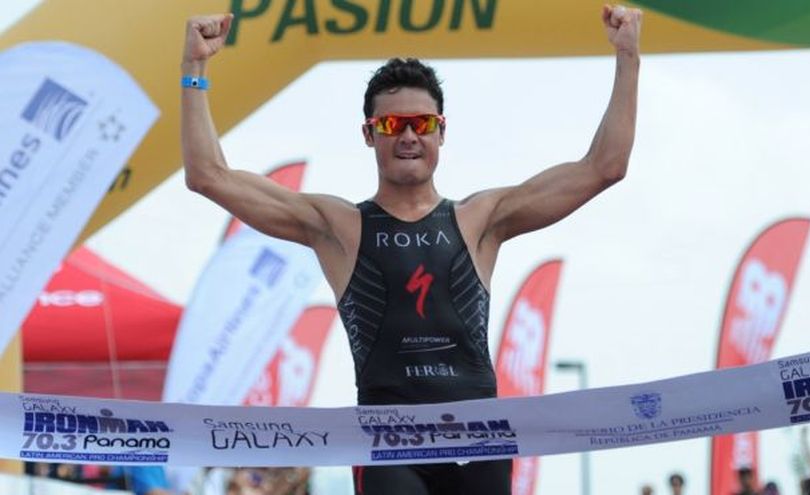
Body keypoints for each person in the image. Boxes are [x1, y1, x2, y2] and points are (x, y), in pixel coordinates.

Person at [180, 4, 641, 494]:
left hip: (479, 439)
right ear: (368, 134)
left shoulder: (481, 219)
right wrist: (194, 67)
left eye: (420, 124)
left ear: (441, 130)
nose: (406, 136)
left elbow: (604, 167)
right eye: (391, 125)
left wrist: (628, 56)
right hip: (388, 442)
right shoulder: (338, 227)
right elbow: (208, 176)